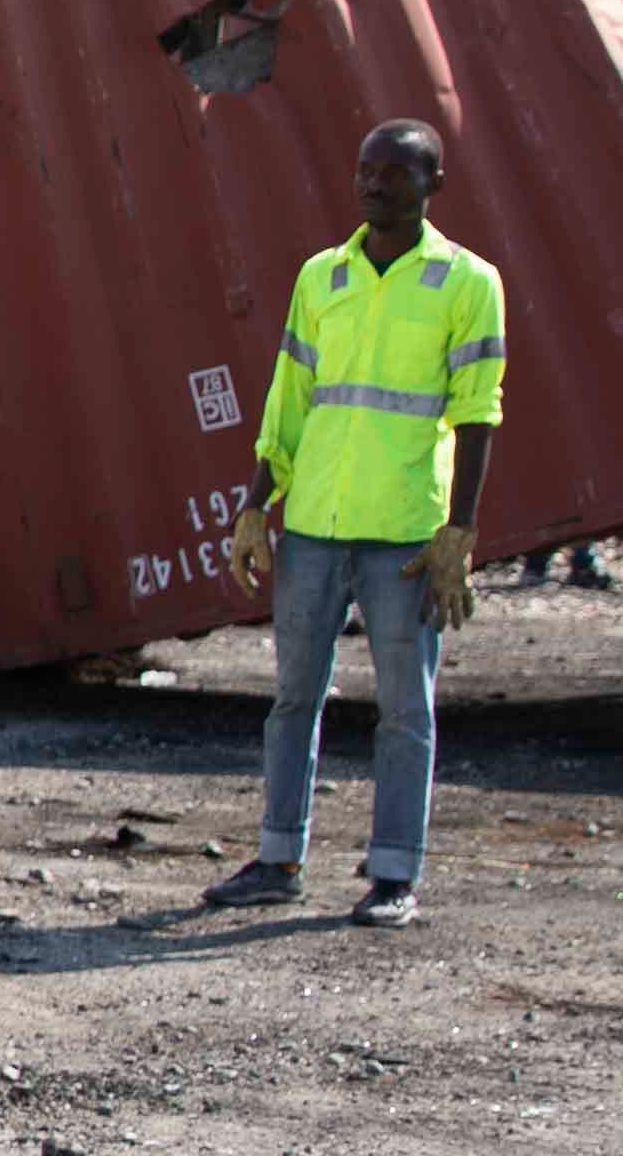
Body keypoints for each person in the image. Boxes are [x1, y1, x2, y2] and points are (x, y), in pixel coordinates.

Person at [197, 116, 505, 927]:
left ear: (432, 185)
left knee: (407, 709)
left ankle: (395, 874)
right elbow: (291, 398)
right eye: (366, 171)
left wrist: (459, 533)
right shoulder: (321, 277)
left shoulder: (469, 284)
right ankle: (277, 858)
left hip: (405, 533)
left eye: (394, 174)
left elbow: (479, 414)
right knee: (294, 698)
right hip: (317, 525)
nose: (373, 184)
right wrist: (256, 506)